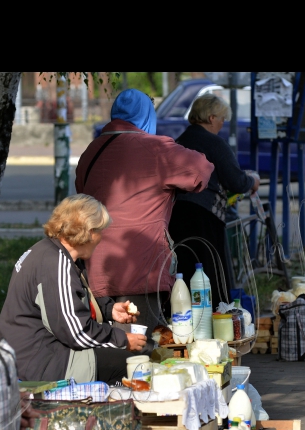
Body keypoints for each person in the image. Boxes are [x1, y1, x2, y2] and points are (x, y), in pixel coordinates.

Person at [75, 88, 214, 331]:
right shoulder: (156, 149)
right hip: (142, 267)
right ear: (147, 115)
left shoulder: (91, 151)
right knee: (141, 346)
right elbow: (201, 170)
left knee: (109, 343)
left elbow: (82, 192)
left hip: (97, 265)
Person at [0, 195, 147, 385]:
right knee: (133, 366)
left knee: (126, 357)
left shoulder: (52, 252)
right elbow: (77, 333)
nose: (101, 238)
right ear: (89, 232)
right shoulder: (55, 263)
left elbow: (68, 302)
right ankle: (118, 413)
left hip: (33, 356)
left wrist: (108, 309)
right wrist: (123, 340)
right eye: (101, 231)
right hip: (41, 364)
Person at [169, 94, 260, 303]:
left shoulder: (181, 140)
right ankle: (215, 318)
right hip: (204, 215)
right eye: (221, 119)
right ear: (211, 118)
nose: (222, 123)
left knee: (185, 269)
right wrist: (252, 181)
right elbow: (235, 180)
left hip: (176, 214)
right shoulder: (215, 143)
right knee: (209, 270)